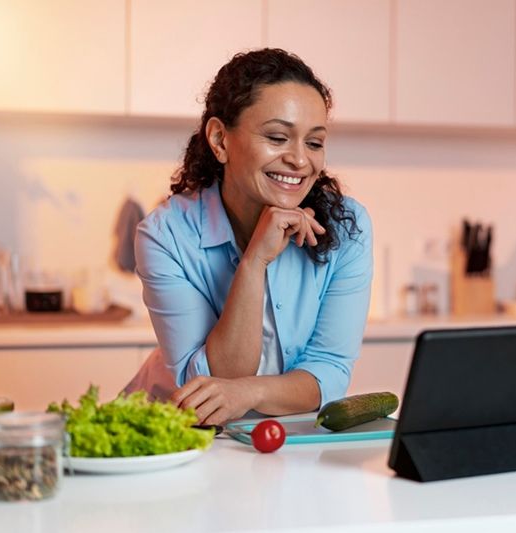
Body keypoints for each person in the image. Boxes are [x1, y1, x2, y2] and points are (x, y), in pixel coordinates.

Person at [124, 48, 373, 426]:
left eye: (314, 142)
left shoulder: (346, 227)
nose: (300, 160)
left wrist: (251, 392)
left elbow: (330, 373)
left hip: (272, 437)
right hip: (171, 434)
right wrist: (255, 260)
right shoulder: (165, 235)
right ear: (220, 140)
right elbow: (204, 388)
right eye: (277, 137)